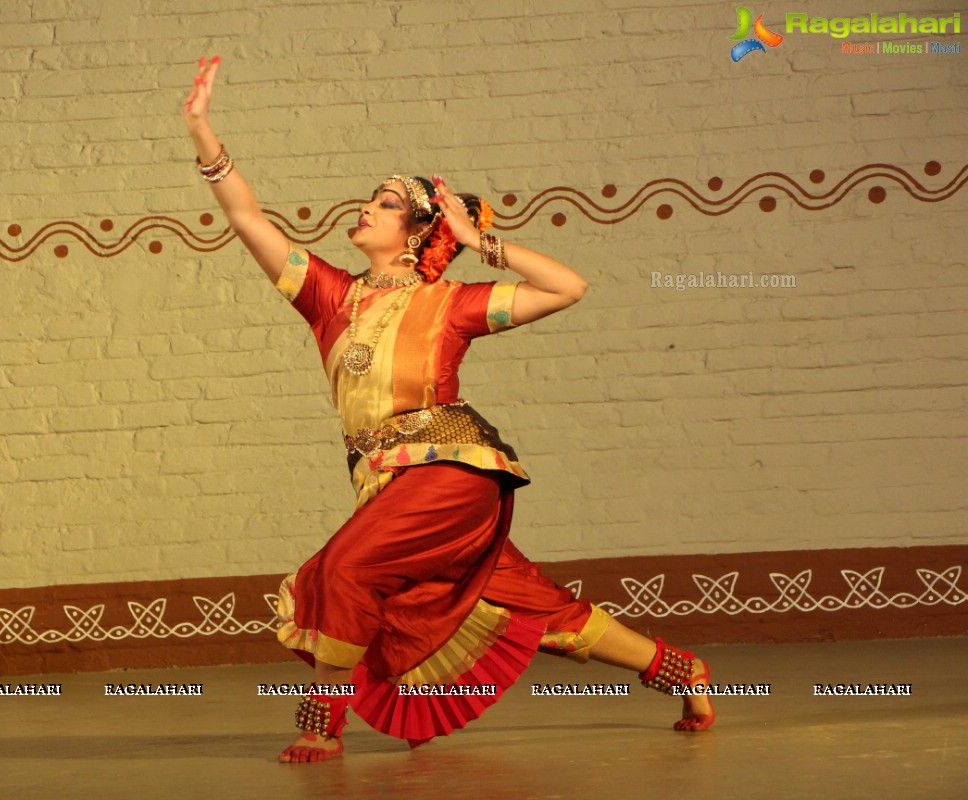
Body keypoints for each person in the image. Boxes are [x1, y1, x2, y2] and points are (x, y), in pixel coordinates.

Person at [183, 56, 715, 764]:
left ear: (414, 231)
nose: (367, 206)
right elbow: (246, 215)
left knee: (342, 571)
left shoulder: (449, 303)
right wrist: (201, 129)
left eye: (387, 202)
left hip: (454, 472)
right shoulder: (328, 298)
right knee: (528, 606)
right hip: (390, 484)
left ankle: (321, 724)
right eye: (370, 197)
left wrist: (477, 243)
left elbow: (568, 287)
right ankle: (683, 671)